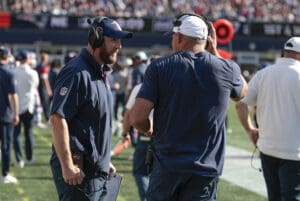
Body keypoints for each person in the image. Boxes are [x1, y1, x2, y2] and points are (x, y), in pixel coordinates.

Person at [129, 13, 248, 201]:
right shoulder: (227, 68)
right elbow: (243, 92)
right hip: (205, 168)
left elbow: (136, 118)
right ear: (207, 40)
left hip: (167, 165)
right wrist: (215, 52)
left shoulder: (160, 67)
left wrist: (148, 129)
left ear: (179, 37)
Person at [49, 16, 132, 201]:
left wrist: (104, 160)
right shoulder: (76, 72)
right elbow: (57, 118)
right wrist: (67, 166)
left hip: (96, 168)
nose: (119, 46)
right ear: (96, 39)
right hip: (79, 171)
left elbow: (93, 122)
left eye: (120, 40)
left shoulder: (99, 72)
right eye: (114, 40)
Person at [236, 36, 300, 201]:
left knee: (274, 197)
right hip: (294, 152)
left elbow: (241, 104)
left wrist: (250, 129)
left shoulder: (263, 74)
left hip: (267, 148)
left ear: (285, 52)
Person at [122, 83, 152, 201]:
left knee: (140, 171)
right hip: (169, 136)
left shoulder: (142, 86)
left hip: (147, 133)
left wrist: (125, 133)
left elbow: (129, 113)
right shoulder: (176, 82)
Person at [13, 50, 39, 167]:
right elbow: (35, 86)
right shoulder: (32, 73)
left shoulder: (14, 71)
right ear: (27, 59)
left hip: (16, 106)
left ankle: (19, 160)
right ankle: (29, 157)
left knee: (16, 134)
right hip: (28, 105)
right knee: (28, 133)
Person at [0, 46, 19, 183]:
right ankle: (5, 174)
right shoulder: (9, 72)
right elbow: (14, 96)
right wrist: (16, 114)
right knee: (6, 146)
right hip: (5, 115)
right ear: (7, 56)